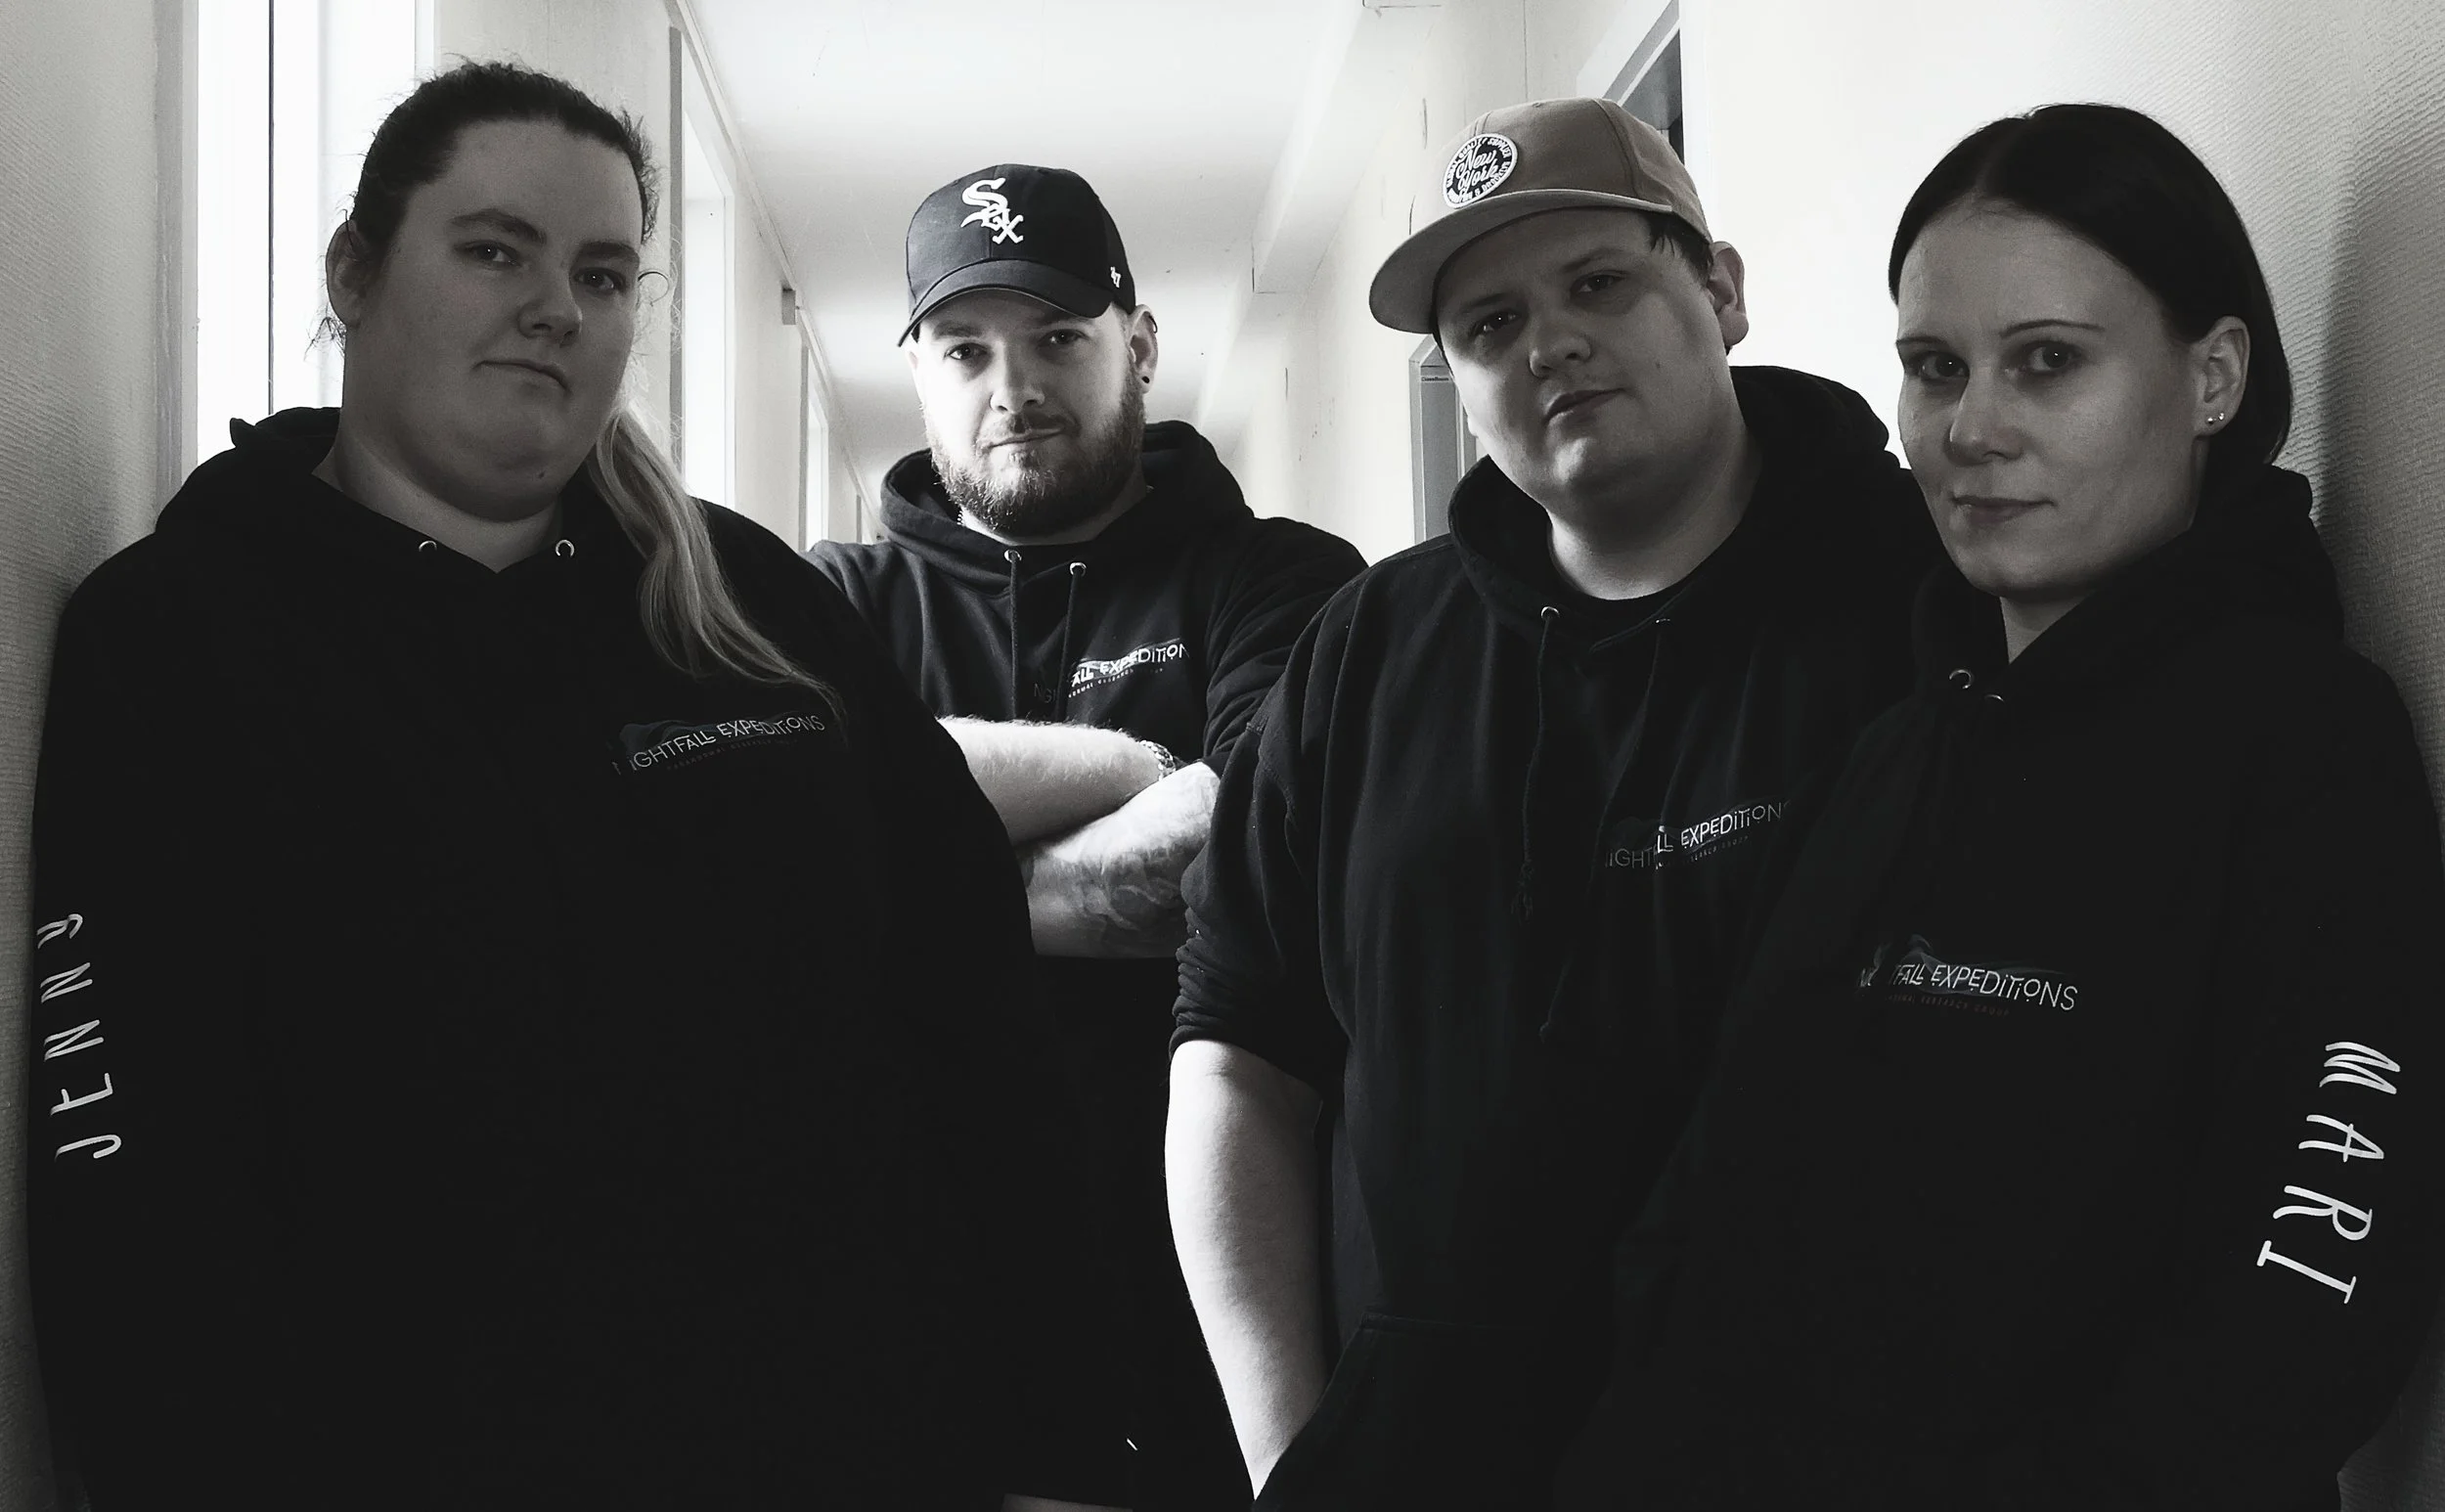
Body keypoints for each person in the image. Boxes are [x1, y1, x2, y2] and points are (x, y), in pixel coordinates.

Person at [28, 62, 1128, 1512]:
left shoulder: (752, 604)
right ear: (354, 272)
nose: (556, 306)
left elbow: (978, 1025)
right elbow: (133, 1175)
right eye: (497, 251)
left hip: (872, 1452)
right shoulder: (184, 639)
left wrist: (1058, 1440)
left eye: (603, 274)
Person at [1555, 104, 2445, 1510]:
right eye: (1935, 368)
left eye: (2047, 362)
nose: (1970, 430)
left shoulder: (2303, 742)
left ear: (2213, 377)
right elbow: (1714, 1188)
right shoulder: (1889, 751)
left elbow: (2318, 1277)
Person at [1166, 97, 1939, 1508]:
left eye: (1598, 284)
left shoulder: (1922, 601)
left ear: (1722, 292)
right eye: (1491, 324)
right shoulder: (1366, 653)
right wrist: (1292, 1463)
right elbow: (1234, 1056)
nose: (1550, 344)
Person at [805, 164, 1364, 1509]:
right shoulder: (826, 605)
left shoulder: (1281, 580)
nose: (1015, 388)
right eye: (965, 349)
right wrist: (1138, 767)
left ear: (1140, 344)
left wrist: (913, 882)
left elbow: (1238, 859)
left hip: (1213, 1321)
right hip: (911, 1318)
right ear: (919, 370)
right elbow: (787, 863)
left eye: (1059, 336)